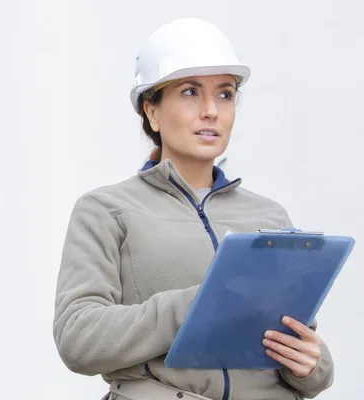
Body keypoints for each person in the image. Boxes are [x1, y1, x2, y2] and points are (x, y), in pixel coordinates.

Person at [52, 18, 333, 400]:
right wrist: (193, 305)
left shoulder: (270, 218)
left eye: (225, 94)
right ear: (151, 111)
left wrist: (313, 365)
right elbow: (78, 337)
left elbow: (297, 334)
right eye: (189, 92)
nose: (211, 111)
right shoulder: (106, 210)